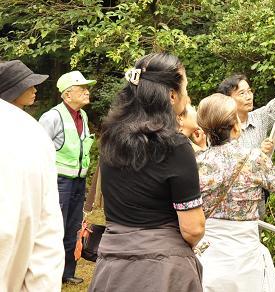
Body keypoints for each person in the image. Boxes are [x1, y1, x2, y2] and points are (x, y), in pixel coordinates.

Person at [89, 53, 205, 292]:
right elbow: (193, 228)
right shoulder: (175, 146)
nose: (188, 95)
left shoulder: (110, 138)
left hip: (113, 265)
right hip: (162, 271)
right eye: (185, 87)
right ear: (172, 96)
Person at [195, 93, 275, 292]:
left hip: (208, 256)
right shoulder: (253, 158)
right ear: (236, 127)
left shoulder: (196, 163)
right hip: (245, 257)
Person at [0, 99, 65, 291]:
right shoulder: (36, 127)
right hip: (57, 179)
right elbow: (46, 251)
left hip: (57, 179)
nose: (35, 90)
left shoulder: (28, 131)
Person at [39, 70, 96, 285]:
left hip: (78, 180)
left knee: (73, 227)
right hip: (58, 181)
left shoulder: (83, 115)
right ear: (67, 94)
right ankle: (49, 274)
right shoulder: (52, 116)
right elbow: (38, 149)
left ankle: (67, 273)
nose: (87, 92)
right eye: (82, 89)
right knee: (55, 227)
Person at [217, 75, 275, 214]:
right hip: (233, 199)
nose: (249, 96)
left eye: (249, 91)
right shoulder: (221, 128)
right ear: (228, 99)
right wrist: (259, 152)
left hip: (260, 193)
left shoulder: (259, 118)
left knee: (257, 231)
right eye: (242, 93)